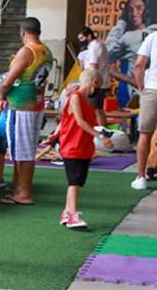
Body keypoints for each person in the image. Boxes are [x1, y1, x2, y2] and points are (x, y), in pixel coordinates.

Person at [44, 68, 114, 229]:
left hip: (83, 147)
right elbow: (79, 121)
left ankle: (67, 212)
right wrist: (101, 136)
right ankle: (73, 215)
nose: (97, 91)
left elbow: (65, 121)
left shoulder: (86, 101)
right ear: (94, 83)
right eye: (98, 87)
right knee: (74, 182)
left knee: (77, 181)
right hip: (72, 146)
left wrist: (54, 135)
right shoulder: (75, 97)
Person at [0, 17, 54, 206]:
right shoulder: (46, 51)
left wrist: (2, 95)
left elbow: (7, 81)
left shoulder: (26, 51)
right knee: (26, 150)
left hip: (21, 106)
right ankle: (21, 187)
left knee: (22, 152)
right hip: (35, 105)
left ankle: (24, 192)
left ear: (23, 31)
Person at [131, 14, 157, 193]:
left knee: (145, 135)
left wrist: (141, 87)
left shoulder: (154, 37)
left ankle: (141, 177)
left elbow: (139, 65)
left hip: (153, 90)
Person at [76, 26, 111, 127]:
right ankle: (101, 130)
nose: (80, 41)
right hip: (99, 81)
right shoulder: (97, 45)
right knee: (98, 109)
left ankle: (101, 132)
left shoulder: (94, 47)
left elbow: (93, 66)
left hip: (95, 83)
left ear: (89, 36)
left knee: (97, 110)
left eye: (82, 38)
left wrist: (86, 83)